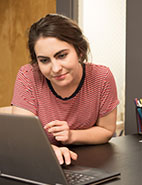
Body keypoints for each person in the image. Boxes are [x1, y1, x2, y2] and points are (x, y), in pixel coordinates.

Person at [11, 14, 119, 165]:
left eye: (62, 55)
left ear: (80, 51)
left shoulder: (101, 77)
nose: (55, 68)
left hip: (89, 164)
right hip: (40, 162)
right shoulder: (28, 75)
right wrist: (47, 150)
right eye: (44, 60)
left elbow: (106, 131)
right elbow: (23, 135)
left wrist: (71, 136)